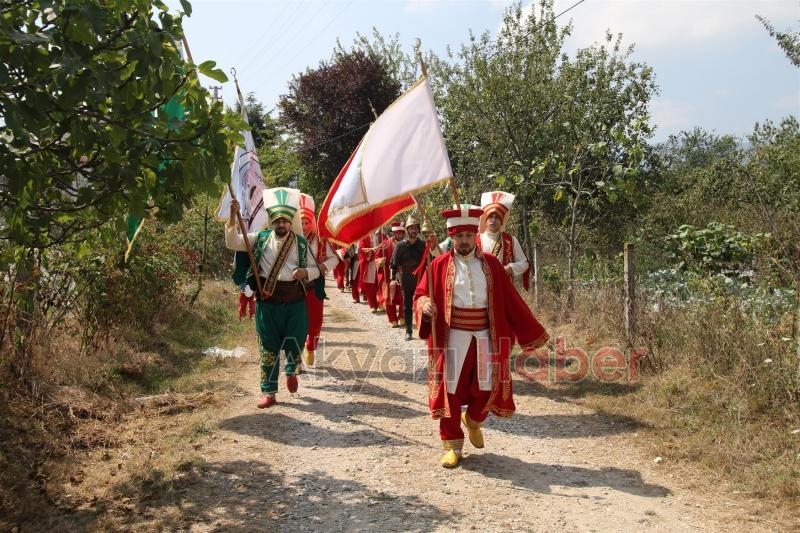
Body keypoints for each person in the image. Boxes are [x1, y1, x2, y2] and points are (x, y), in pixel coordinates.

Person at [414, 205, 549, 468]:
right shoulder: (438, 266)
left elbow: (511, 301)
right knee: (450, 391)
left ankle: (474, 420)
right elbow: (421, 295)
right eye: (458, 237)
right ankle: (452, 445)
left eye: (467, 236)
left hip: (486, 335)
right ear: (451, 237)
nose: (463, 241)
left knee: (486, 386)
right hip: (452, 337)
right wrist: (425, 306)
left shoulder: (492, 265)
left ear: (474, 234)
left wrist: (531, 332)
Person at [226, 188, 321, 409]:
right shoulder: (258, 239)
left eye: (285, 222)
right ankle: (269, 392)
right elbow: (232, 241)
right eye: (277, 221)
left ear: (290, 223)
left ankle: (291, 370)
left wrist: (305, 272)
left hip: (295, 301)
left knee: (295, 340)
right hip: (267, 302)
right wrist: (233, 215)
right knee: (267, 348)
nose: (281, 225)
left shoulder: (301, 243)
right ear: (271, 222)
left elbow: (316, 270)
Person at [299, 193, 340, 367]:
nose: (304, 226)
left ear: (312, 222)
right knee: (296, 323)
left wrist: (321, 268)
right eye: (300, 222)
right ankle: (295, 358)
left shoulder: (321, 240)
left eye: (307, 222)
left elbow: (335, 259)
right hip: (295, 288)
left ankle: (310, 347)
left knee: (315, 323)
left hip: (315, 287)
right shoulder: (291, 240)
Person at [478, 191, 531, 290]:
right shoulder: (475, 240)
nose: (493, 220)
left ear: (502, 220)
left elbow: (525, 264)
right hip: (480, 290)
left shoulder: (510, 240)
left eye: (497, 217)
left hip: (504, 289)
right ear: (485, 219)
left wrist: (511, 267)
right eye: (490, 216)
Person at [391, 215, 426, 341]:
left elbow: (429, 263)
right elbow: (393, 264)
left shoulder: (423, 245)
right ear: (407, 230)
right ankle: (409, 331)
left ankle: (423, 330)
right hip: (405, 278)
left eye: (415, 228)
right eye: (411, 228)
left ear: (418, 229)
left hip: (421, 279)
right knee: (407, 305)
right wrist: (393, 279)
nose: (413, 230)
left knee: (423, 305)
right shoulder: (400, 246)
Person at [377, 221, 406, 327]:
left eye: (402, 233)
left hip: (404, 274)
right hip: (389, 274)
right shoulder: (385, 244)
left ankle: (402, 316)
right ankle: (393, 319)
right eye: (399, 233)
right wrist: (381, 260)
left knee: (404, 296)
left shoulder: (408, 244)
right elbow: (376, 258)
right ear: (394, 233)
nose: (401, 235)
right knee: (390, 297)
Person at [357, 231, 381, 312]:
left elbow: (387, 245)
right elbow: (360, 249)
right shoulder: (364, 237)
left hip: (382, 263)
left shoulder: (382, 235)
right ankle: (374, 305)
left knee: (382, 284)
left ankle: (382, 303)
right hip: (370, 263)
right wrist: (371, 250)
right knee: (371, 286)